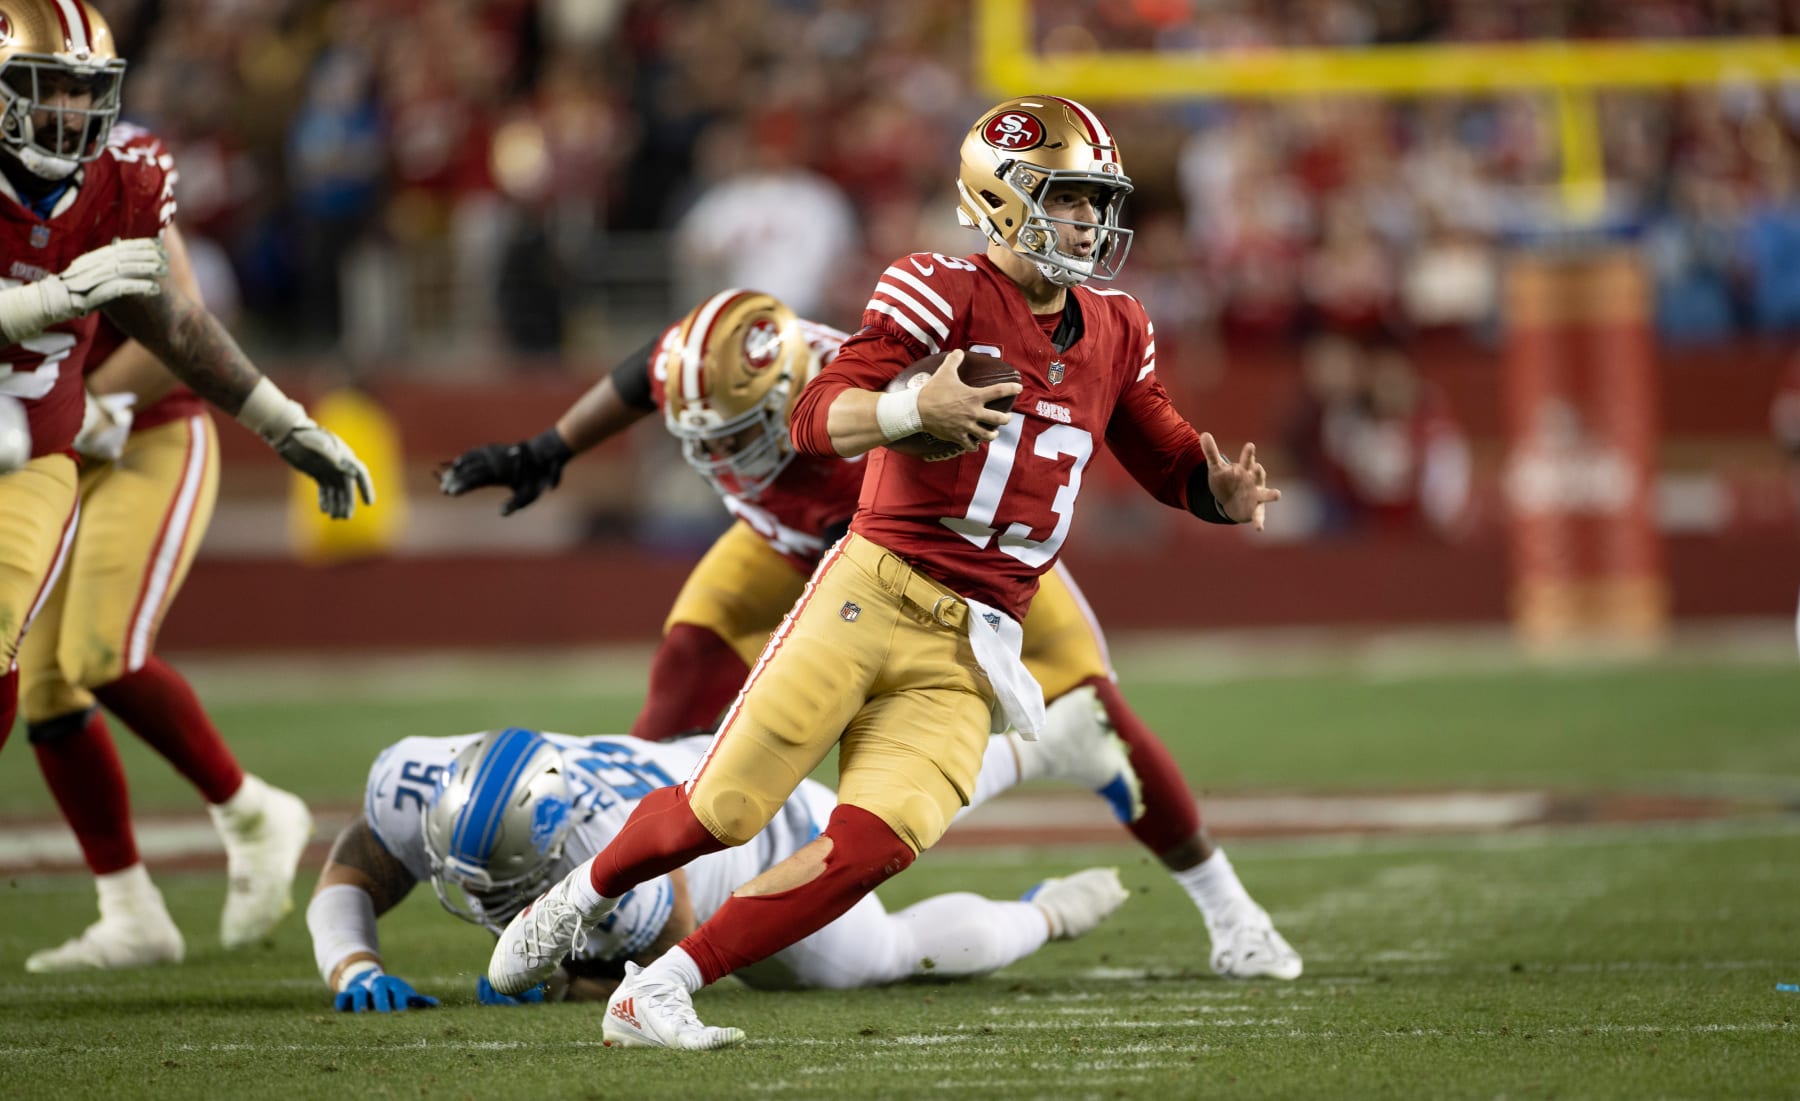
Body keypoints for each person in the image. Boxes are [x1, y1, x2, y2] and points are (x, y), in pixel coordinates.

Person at [482, 95, 1282, 1049]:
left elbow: (1162, 453)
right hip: (873, 584)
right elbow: (816, 413)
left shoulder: (1116, 324)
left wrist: (1214, 493)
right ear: (1001, 199)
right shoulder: (935, 288)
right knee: (723, 808)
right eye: (1067, 200)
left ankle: (659, 988)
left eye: (1094, 201)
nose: (1089, 222)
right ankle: (575, 899)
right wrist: (911, 409)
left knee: (875, 845)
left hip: (983, 630)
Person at [443, 287, 1301, 982]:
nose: (725, 460)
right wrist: (549, 447)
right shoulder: (716, 363)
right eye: (707, 441)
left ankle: (1233, 912)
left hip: (940, 557)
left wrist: (913, 417)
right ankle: (609, 912)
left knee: (1097, 708)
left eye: (743, 437)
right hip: (789, 545)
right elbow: (646, 374)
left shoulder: (856, 398)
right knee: (679, 682)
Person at [0, 0, 373, 764]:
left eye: (81, 88)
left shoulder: (120, 182)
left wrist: (287, 426)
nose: (65, 109)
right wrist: (52, 299)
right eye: (44, 83)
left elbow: (179, 328)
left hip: (33, 455)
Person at [16, 126, 312, 973]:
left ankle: (252, 809)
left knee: (102, 651)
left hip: (143, 433)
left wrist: (71, 411)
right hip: (48, 449)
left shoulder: (122, 169)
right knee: (39, 685)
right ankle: (130, 910)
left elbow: (179, 325)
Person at [306, 725, 1133, 1012]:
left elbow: (665, 945)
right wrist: (353, 961)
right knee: (897, 798)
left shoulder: (604, 847)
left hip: (758, 838)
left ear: (554, 842)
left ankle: (1048, 910)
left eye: (504, 881)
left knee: (867, 957)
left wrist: (558, 979)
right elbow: (358, 863)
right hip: (701, 772)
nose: (481, 896)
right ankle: (1038, 747)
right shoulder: (423, 780)